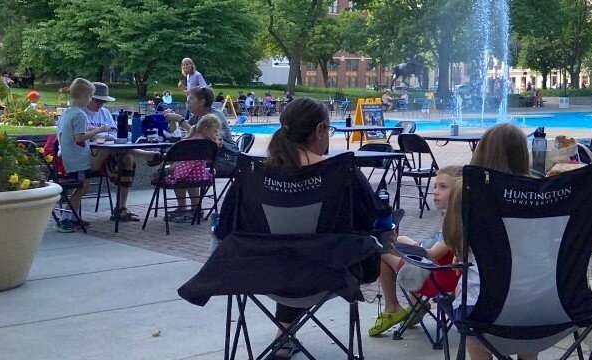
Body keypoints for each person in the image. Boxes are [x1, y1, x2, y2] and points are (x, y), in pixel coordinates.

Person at [257, 96, 373, 359]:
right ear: (320, 130)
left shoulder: (254, 175)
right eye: (328, 130)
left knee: (290, 250)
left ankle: (283, 335)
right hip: (329, 274)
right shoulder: (341, 173)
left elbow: (226, 227)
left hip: (263, 275)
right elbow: (372, 219)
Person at [442, 123, 534, 360]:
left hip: (482, 311)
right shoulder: (537, 190)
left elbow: (453, 242)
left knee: (472, 293)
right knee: (524, 304)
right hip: (540, 309)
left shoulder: (467, 191)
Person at [370, 165, 462, 336]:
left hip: (433, 279)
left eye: (443, 187)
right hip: (445, 279)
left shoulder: (455, 224)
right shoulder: (462, 218)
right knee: (402, 240)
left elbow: (433, 255)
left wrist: (397, 249)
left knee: (381, 251)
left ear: (459, 192)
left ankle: (392, 307)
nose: (435, 192)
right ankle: (415, 303)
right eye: (435, 186)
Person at [85, 81, 155, 222]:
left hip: (108, 156)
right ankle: (148, 155)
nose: (100, 104)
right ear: (88, 97)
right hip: (87, 157)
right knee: (115, 150)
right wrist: (101, 134)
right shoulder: (79, 113)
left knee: (127, 158)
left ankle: (121, 208)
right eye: (97, 100)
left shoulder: (104, 113)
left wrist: (104, 135)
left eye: (103, 101)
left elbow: (115, 135)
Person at [56, 78, 112, 231]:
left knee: (82, 186)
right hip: (78, 158)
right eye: (90, 96)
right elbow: (79, 137)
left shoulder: (67, 112)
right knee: (82, 187)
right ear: (83, 96)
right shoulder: (80, 115)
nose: (90, 100)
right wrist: (99, 130)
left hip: (68, 156)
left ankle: (72, 217)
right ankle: (65, 218)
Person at [162, 86, 238, 177]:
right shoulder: (197, 115)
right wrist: (172, 120)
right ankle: (164, 163)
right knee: (182, 162)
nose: (187, 102)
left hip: (225, 160)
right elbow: (178, 134)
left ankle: (165, 165)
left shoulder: (214, 116)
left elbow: (198, 135)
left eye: (191, 99)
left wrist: (180, 119)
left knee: (183, 167)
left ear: (202, 102)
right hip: (207, 157)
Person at [166, 113, 225, 221]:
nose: (217, 134)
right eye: (215, 131)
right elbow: (208, 160)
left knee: (179, 176)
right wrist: (216, 146)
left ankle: (183, 206)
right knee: (189, 176)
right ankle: (195, 207)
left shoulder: (190, 139)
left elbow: (179, 155)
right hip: (198, 174)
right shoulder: (208, 144)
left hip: (185, 173)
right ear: (206, 129)